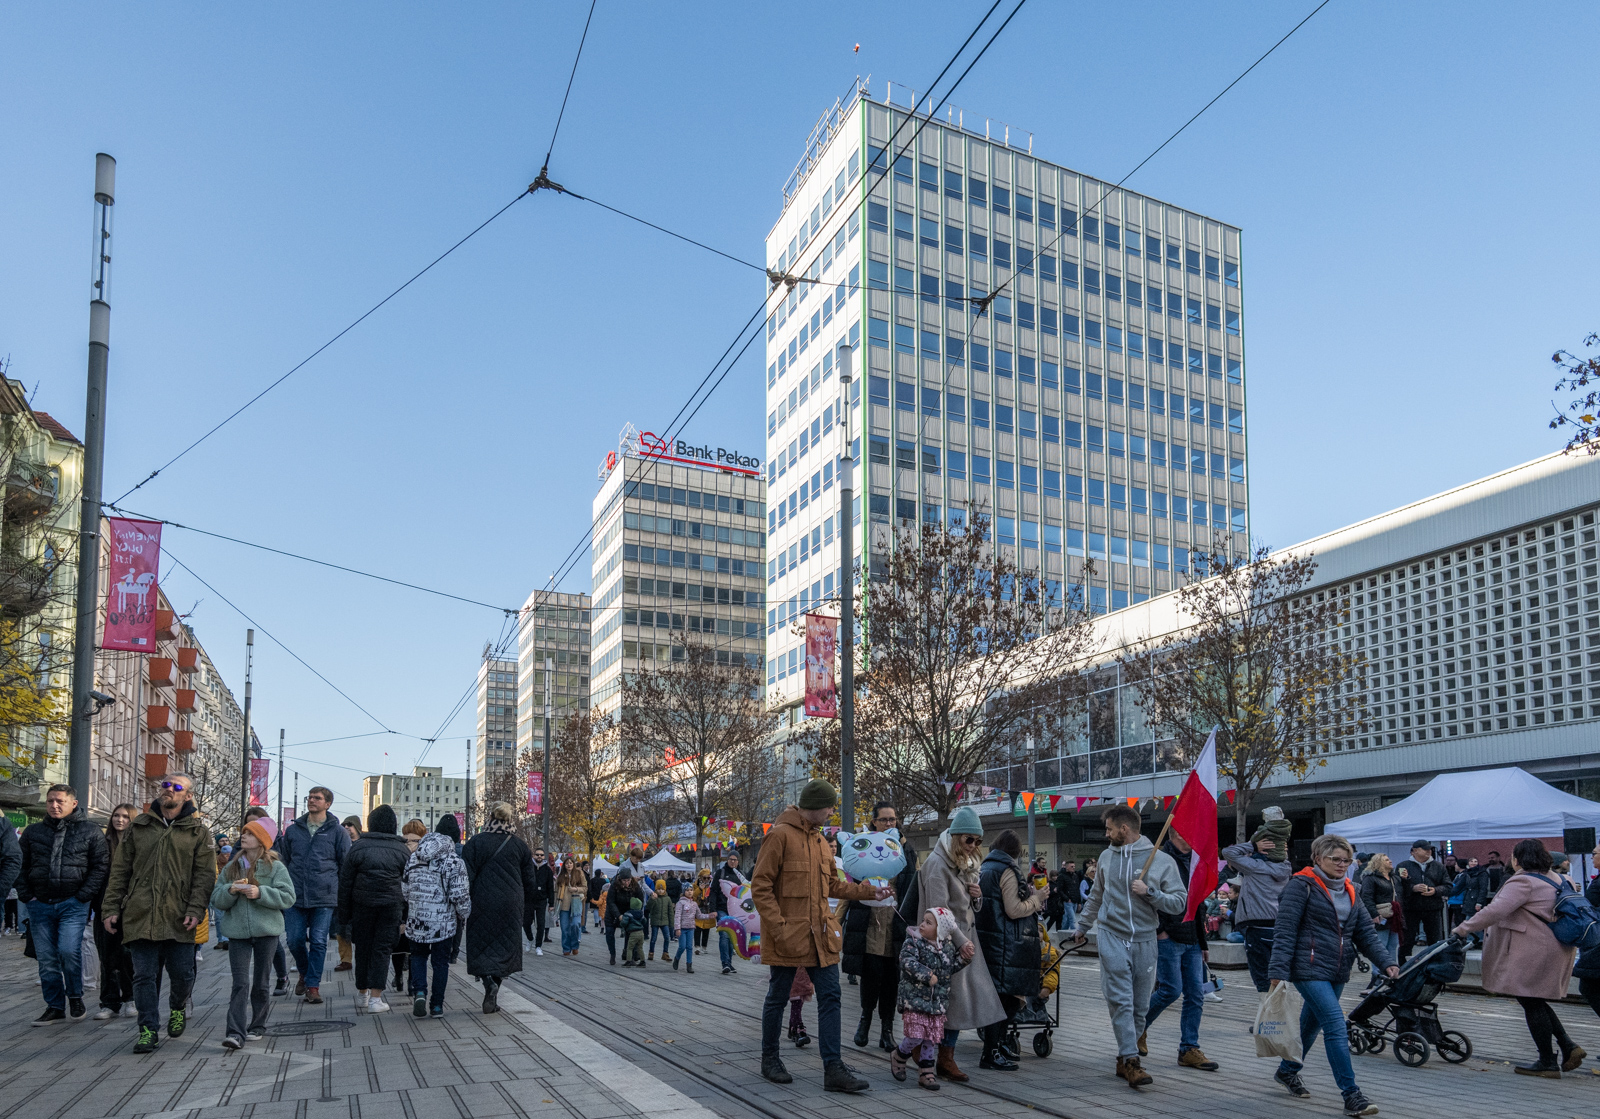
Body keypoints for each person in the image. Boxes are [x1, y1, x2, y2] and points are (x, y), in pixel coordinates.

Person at [751, 778, 889, 1092]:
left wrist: (868, 891)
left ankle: (833, 1068)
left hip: (821, 935)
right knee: (778, 997)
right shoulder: (780, 835)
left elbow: (832, 884)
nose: (831, 812)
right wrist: (780, 927)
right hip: (789, 936)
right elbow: (760, 887)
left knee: (831, 996)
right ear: (816, 806)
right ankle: (769, 1058)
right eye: (829, 806)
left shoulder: (818, 840)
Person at [1267, 833, 1397, 1117]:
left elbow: (1364, 932)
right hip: (1307, 967)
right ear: (1317, 858)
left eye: (1347, 860)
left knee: (1311, 1025)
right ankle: (1352, 1095)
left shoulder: (1352, 889)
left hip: (1338, 968)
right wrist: (1277, 971)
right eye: (1335, 859)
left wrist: (1387, 962)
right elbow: (1285, 931)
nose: (1342, 864)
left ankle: (1287, 1071)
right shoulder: (1301, 886)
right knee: (1336, 1025)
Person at [1072, 805, 1187, 1089]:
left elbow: (1179, 902)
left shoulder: (1160, 861)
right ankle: (1132, 1060)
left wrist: (1150, 892)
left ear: (1124, 829)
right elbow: (1096, 896)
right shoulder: (1106, 857)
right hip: (1112, 934)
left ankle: (1124, 1057)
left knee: (1140, 1005)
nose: (1106, 833)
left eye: (1110, 829)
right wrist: (1082, 926)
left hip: (1146, 939)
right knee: (1121, 999)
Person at [101, 773, 216, 1054]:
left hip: (179, 915)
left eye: (177, 787)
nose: (168, 790)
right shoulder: (138, 826)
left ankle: (177, 1007)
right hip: (140, 913)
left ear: (187, 796)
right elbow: (119, 872)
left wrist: (195, 909)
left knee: (182, 974)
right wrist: (110, 908)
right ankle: (147, 1029)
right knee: (143, 976)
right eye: (165, 784)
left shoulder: (197, 832)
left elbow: (204, 876)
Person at [1453, 838, 1583, 1077]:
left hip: (1532, 948)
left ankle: (1547, 1061)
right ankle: (1567, 1046)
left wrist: (1463, 928)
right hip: (1557, 945)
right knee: (1534, 999)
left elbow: (1496, 910)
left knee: (1530, 1000)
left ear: (1517, 859)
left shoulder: (1523, 880)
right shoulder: (1564, 878)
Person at [917, 806, 1005, 1083]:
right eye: (969, 839)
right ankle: (929, 1053)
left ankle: (941, 1054)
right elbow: (938, 910)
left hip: (962, 942)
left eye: (978, 841)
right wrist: (961, 941)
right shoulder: (937, 864)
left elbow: (966, 906)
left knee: (958, 1003)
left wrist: (976, 897)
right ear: (955, 837)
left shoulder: (963, 863)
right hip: (945, 944)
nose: (974, 846)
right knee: (946, 1003)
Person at [18, 783, 109, 1025]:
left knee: (69, 951)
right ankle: (55, 1006)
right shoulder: (33, 832)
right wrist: (27, 895)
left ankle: (75, 995)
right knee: (47, 959)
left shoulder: (90, 831)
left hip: (73, 903)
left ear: (73, 803)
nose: (54, 805)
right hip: (40, 903)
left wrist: (83, 896)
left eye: (59, 801)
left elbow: (100, 866)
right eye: (50, 801)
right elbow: (20, 865)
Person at [211, 815, 295, 1049]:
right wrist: (231, 889)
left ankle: (257, 1025)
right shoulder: (232, 865)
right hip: (237, 933)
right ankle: (235, 1032)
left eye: (249, 833)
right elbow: (216, 899)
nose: (243, 836)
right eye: (244, 832)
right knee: (240, 983)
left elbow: (288, 897)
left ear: (262, 840)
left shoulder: (275, 866)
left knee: (260, 981)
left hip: (266, 932)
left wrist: (260, 893)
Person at [842, 800, 917, 1052]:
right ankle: (865, 1020)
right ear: (874, 821)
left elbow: (912, 886)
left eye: (892, 819)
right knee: (871, 974)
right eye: (884, 819)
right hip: (870, 920)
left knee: (891, 978)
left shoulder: (905, 850)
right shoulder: (863, 844)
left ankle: (887, 1030)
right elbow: (850, 883)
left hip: (895, 921)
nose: (888, 823)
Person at [1142, 833, 1219, 1072]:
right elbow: (1148, 898)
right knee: (1170, 990)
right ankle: (1136, 1028)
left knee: (1195, 994)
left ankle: (1189, 1049)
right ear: (1175, 833)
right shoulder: (1159, 859)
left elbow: (1197, 905)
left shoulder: (1194, 861)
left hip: (1192, 938)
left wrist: (1203, 943)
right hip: (1168, 937)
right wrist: (1161, 930)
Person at [461, 802, 539, 1012]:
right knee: (505, 947)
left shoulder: (475, 843)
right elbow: (530, 881)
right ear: (510, 819)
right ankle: (493, 992)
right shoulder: (520, 846)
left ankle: (487, 980)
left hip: (482, 902)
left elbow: (466, 877)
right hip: (510, 904)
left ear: (490, 817)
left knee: (481, 944)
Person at [276, 788, 352, 1004]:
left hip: (324, 896)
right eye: (310, 797)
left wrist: (340, 892)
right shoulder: (293, 830)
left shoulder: (338, 832)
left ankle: (312, 986)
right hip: (295, 895)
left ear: (328, 804)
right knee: (295, 939)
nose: (312, 800)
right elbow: (285, 860)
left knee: (318, 941)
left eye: (317, 798)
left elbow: (344, 864)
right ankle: (304, 971)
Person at [975, 830, 1043, 1071]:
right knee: (1006, 1000)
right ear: (1016, 851)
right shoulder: (1007, 870)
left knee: (1004, 998)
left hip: (990, 940)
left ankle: (999, 1044)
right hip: (1007, 944)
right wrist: (1037, 899)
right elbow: (1013, 909)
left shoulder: (985, 867)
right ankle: (991, 1051)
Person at [889, 907, 975, 1091]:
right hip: (915, 999)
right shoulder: (913, 942)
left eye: (929, 923)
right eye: (923, 920)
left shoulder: (947, 947)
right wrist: (926, 975)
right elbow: (906, 962)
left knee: (930, 1039)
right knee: (915, 1036)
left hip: (937, 1003)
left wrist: (965, 959)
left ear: (941, 930)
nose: (922, 924)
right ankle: (899, 1054)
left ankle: (926, 1071)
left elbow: (949, 968)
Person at [338, 805, 409, 1013]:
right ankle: (376, 999)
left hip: (362, 905)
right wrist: (406, 915)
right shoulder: (402, 850)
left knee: (363, 948)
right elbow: (409, 885)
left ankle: (362, 993)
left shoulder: (358, 848)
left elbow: (345, 884)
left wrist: (343, 916)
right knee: (382, 949)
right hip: (391, 907)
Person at [400, 821, 471, 1017]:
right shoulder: (454, 861)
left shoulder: (413, 858)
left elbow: (405, 889)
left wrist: (415, 905)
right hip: (443, 923)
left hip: (416, 920)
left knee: (418, 957)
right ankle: (437, 1006)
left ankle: (420, 992)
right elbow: (460, 894)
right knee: (440, 963)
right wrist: (464, 913)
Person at [1220, 807, 1293, 992]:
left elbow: (1228, 853)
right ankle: (1281, 1018)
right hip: (1279, 927)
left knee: (1262, 980)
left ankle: (1267, 1020)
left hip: (1257, 927)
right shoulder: (1285, 867)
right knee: (1279, 977)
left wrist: (1253, 845)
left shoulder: (1254, 867)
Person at [92, 803, 138, 1019]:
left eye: (126, 817)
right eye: (116, 816)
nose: (120, 820)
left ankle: (131, 998)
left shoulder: (138, 844)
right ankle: (109, 1002)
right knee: (107, 955)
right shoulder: (103, 843)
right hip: (104, 905)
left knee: (127, 956)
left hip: (130, 907)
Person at [1394, 840, 1449, 964]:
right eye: (1425, 849)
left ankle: (1435, 970)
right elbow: (1397, 887)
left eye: (1430, 849)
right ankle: (1404, 970)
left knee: (1435, 940)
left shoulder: (1438, 866)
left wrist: (1435, 890)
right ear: (1414, 851)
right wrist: (1413, 888)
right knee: (1407, 941)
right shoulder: (1403, 866)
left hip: (1433, 908)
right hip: (1410, 909)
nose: (1429, 852)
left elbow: (1448, 886)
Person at [1356, 854, 1402, 988]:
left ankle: (1391, 973)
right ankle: (1377, 975)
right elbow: (1366, 896)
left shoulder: (1394, 877)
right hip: (1380, 915)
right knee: (1380, 945)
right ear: (1379, 863)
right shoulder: (1370, 878)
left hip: (1393, 916)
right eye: (1387, 860)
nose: (1391, 861)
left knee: (1393, 945)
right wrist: (1373, 914)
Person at [713, 850, 747, 975]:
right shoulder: (720, 873)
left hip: (736, 911)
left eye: (735, 860)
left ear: (738, 861)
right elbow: (713, 891)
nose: (733, 862)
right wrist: (713, 909)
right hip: (722, 908)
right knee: (724, 935)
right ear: (727, 860)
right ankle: (725, 963)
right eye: (731, 859)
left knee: (733, 937)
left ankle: (729, 963)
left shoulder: (741, 875)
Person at [606, 867, 643, 964]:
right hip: (612, 913)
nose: (626, 882)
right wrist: (618, 915)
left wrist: (634, 913)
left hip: (628, 911)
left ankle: (627, 952)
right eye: (624, 880)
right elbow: (610, 902)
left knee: (630, 932)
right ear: (620, 879)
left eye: (628, 880)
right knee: (610, 933)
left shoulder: (635, 885)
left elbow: (640, 899)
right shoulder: (614, 885)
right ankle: (612, 954)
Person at [556, 860, 588, 956]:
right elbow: (556, 890)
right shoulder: (561, 875)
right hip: (564, 904)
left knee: (575, 924)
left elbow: (585, 888)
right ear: (564, 865)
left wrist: (576, 889)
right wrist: (554, 904)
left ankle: (575, 945)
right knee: (565, 927)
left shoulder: (579, 873)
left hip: (576, 902)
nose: (569, 865)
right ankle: (566, 948)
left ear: (573, 864)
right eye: (566, 863)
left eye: (570, 863)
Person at [530, 846, 554, 956]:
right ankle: (530, 938)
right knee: (526, 922)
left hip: (542, 900)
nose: (539, 856)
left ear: (544, 857)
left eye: (541, 855)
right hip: (529, 899)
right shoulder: (529, 867)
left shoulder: (547, 870)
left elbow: (550, 887)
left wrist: (551, 903)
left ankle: (538, 946)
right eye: (537, 854)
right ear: (533, 855)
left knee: (541, 923)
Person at [672, 880, 699, 972]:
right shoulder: (680, 903)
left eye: (691, 890)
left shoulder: (694, 903)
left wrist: (709, 916)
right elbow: (677, 915)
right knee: (682, 946)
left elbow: (698, 915)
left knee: (689, 947)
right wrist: (677, 928)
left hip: (691, 927)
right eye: (687, 890)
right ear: (683, 892)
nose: (690, 892)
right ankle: (677, 958)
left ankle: (689, 965)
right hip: (682, 928)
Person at [648, 877, 673, 960]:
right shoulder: (654, 897)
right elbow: (648, 907)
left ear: (665, 889)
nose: (660, 891)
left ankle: (665, 953)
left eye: (662, 889)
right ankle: (651, 952)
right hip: (655, 921)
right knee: (653, 938)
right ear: (656, 889)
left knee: (667, 937)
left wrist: (671, 924)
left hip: (665, 921)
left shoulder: (668, 899)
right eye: (658, 889)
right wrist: (653, 899)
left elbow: (670, 912)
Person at [620, 896, 648, 965]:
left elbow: (624, 922)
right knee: (640, 948)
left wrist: (621, 924)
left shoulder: (628, 913)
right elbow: (645, 921)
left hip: (633, 933)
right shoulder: (641, 913)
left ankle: (629, 961)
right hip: (641, 933)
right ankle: (642, 961)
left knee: (629, 947)